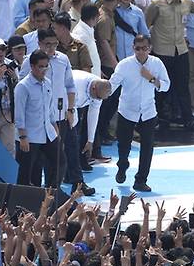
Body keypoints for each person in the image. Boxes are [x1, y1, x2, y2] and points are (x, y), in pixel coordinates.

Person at [109, 35, 170, 192]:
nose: (141, 52)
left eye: (145, 48)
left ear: (150, 48)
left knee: (148, 147)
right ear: (133, 48)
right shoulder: (124, 65)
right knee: (123, 145)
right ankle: (122, 166)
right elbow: (113, 84)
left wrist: (151, 78)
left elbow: (166, 86)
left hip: (148, 111)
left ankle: (141, 180)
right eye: (138, 48)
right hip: (127, 110)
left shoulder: (157, 63)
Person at [14, 50, 60, 187]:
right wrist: (22, 137)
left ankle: (51, 194)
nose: (44, 70)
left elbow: (50, 108)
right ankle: (23, 204)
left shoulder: (47, 83)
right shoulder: (23, 86)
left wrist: (55, 128)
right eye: (41, 66)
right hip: (30, 136)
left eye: (46, 66)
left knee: (60, 162)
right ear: (32, 66)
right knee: (27, 173)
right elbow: (19, 114)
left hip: (47, 133)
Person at [72, 70, 111, 173]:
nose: (99, 100)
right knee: (72, 136)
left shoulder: (99, 91)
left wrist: (90, 141)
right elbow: (72, 112)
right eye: (98, 97)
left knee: (81, 134)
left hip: (79, 104)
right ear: (93, 89)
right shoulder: (76, 86)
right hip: (66, 102)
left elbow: (93, 114)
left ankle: (80, 161)